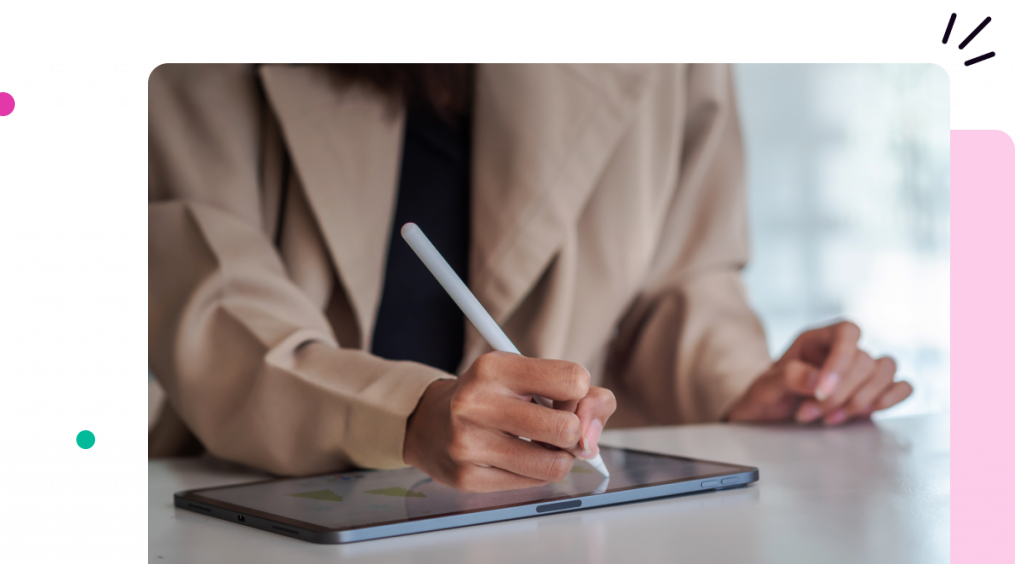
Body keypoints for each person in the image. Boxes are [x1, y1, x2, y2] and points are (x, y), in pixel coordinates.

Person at [148, 63, 912, 492]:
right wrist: (405, 413)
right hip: (268, 500)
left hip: (536, 538)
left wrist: (747, 386)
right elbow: (212, 297)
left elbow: (683, 279)